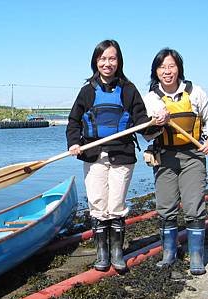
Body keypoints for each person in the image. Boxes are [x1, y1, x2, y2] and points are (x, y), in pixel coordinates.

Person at [66, 39, 159, 272]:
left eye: (112, 58)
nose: (107, 63)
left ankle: (117, 252)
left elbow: (141, 122)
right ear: (96, 61)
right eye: (102, 58)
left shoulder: (129, 90)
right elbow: (73, 121)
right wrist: (74, 143)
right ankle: (102, 253)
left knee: (116, 204)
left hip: (122, 155)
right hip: (93, 154)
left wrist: (155, 124)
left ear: (119, 61)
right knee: (97, 204)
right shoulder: (87, 91)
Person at [143, 48, 208, 275]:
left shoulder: (195, 92)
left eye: (171, 66)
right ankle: (169, 253)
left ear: (179, 69)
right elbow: (146, 134)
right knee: (165, 207)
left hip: (193, 155)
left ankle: (196, 256)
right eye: (162, 67)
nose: (167, 71)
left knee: (194, 206)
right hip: (164, 156)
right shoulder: (151, 98)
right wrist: (156, 124)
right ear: (155, 71)